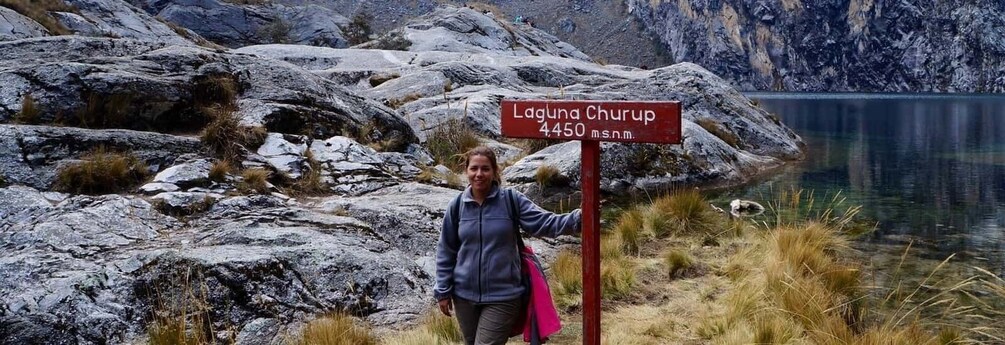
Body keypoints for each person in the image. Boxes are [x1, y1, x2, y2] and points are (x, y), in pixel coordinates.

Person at [435, 146, 582, 345]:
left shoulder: (511, 200)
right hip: (463, 297)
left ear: (495, 171)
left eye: (485, 169)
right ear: (466, 171)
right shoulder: (457, 205)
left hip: (503, 296)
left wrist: (578, 218)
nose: (479, 174)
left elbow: (544, 223)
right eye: (474, 168)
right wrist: (443, 291)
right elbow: (446, 251)